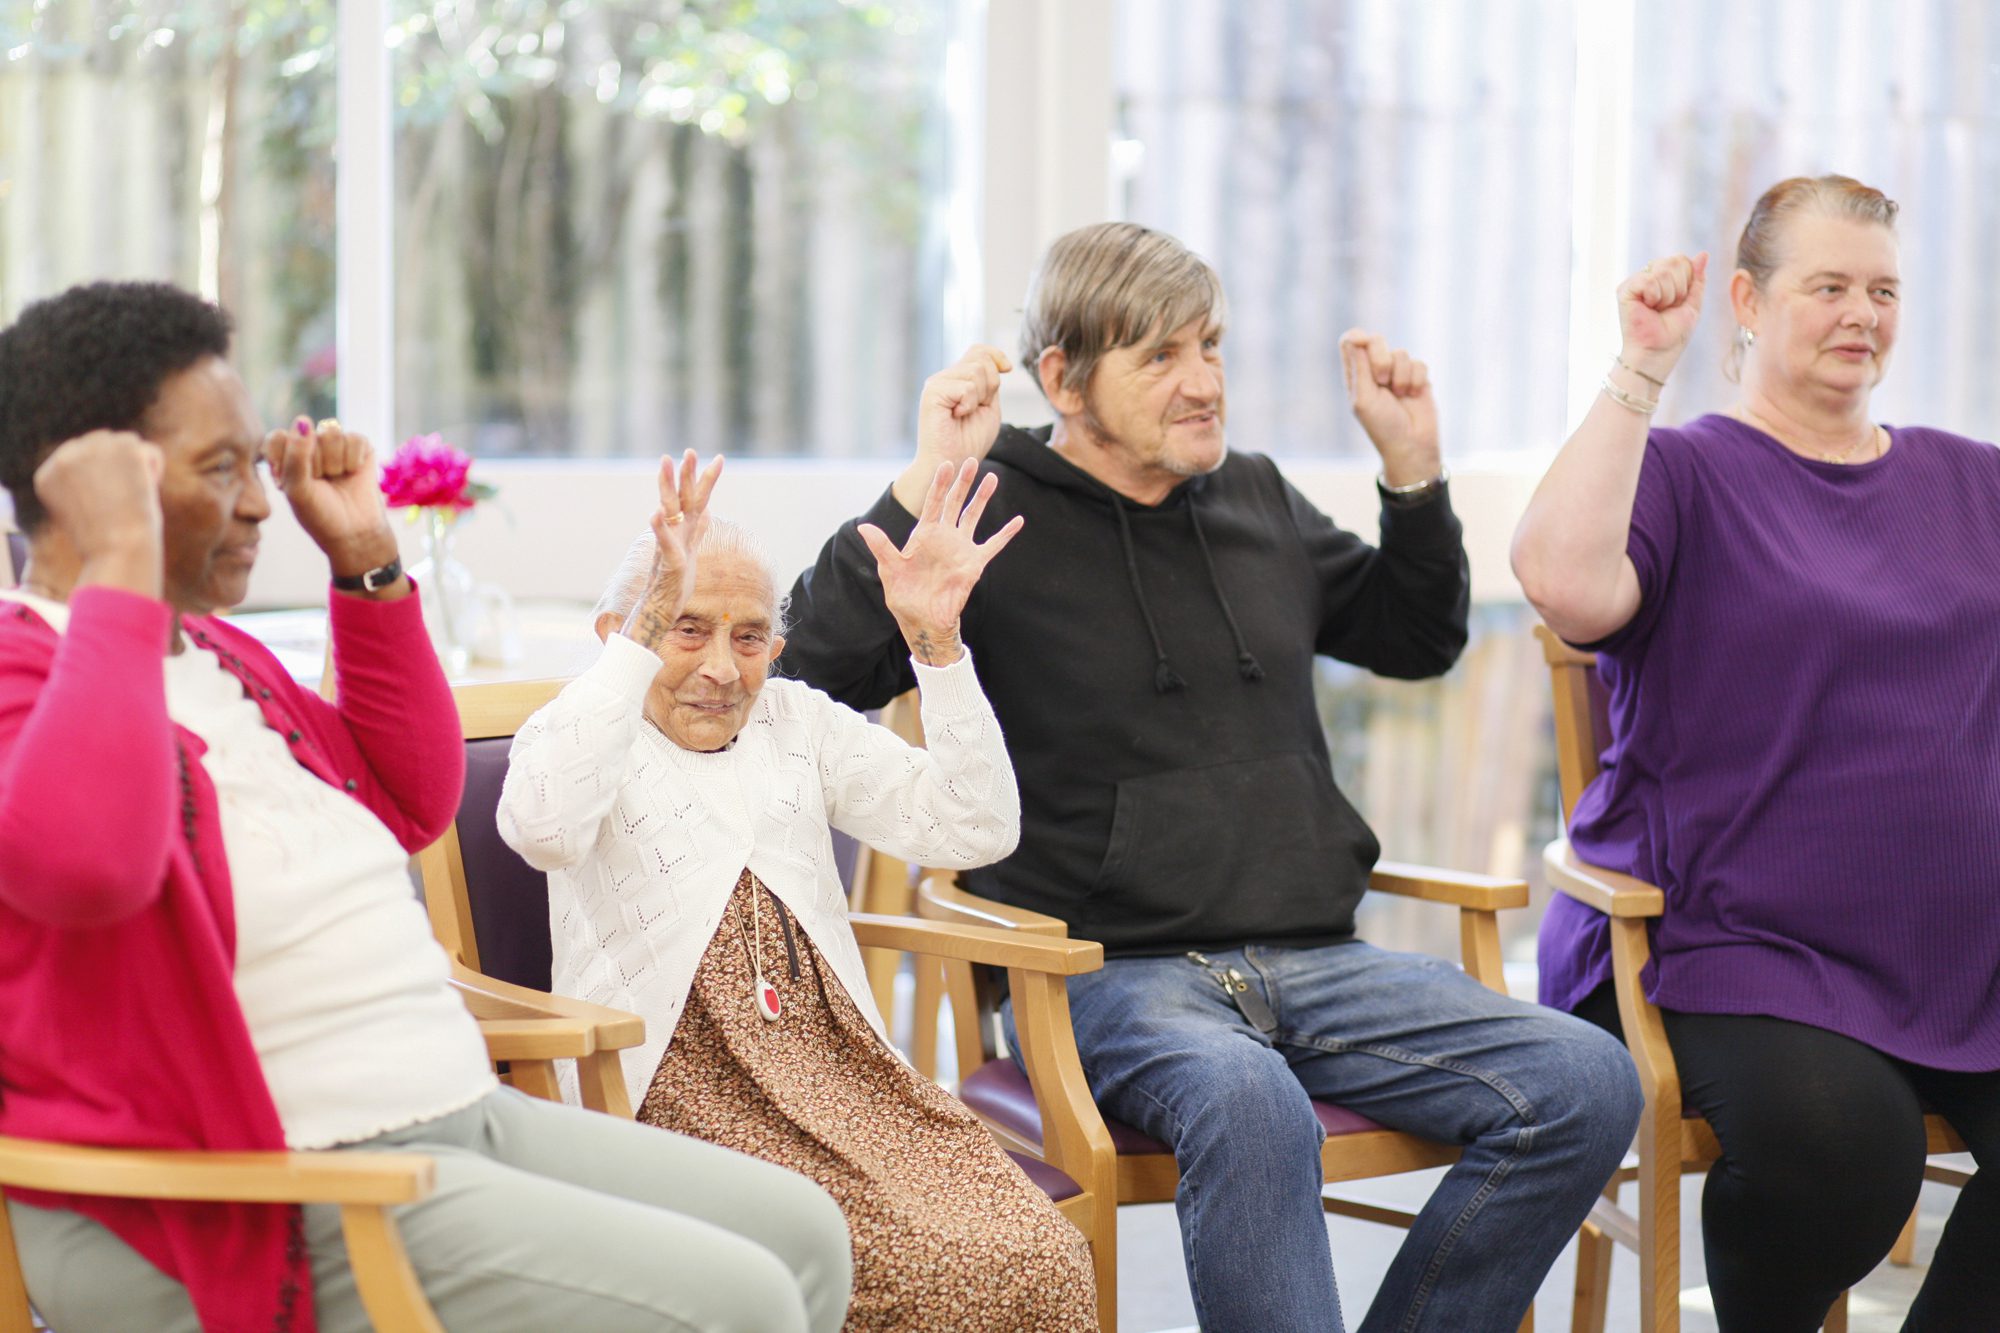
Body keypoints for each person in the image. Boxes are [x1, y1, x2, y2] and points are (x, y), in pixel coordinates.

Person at [780, 221, 1643, 1332]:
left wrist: (1410, 471)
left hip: (1315, 961)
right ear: (1063, 379)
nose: (1203, 383)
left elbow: (1414, 634)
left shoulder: (1256, 498)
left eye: (1212, 346)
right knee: (1250, 1104)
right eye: (1160, 356)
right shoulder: (983, 512)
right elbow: (811, 670)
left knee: (1586, 1082)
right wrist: (921, 482)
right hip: (1101, 976)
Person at [0, 281, 851, 1333]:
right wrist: (116, 564)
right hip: (243, 1192)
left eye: (253, 464)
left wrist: (365, 558)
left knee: (805, 1235)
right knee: (741, 1302)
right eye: (221, 471)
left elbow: (408, 800)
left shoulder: (222, 656)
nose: (262, 503)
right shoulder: (25, 674)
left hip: (444, 1112)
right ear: (92, 482)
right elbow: (90, 864)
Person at [1513, 174, 2000, 1330]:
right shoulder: (1685, 473)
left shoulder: (1969, 480)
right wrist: (1640, 364)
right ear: (1745, 297)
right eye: (1825, 285)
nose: (1860, 315)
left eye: (1879, 290)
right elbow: (1561, 582)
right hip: (1740, 941)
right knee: (1839, 1155)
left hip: (1963, 944)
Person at [496, 452, 1096, 1332]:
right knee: (908, 1269)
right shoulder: (583, 727)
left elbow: (977, 827)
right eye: (684, 628)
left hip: (850, 1077)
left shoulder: (797, 720)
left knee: (1035, 1252)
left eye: (747, 639)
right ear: (618, 635)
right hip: (679, 1088)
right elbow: (543, 829)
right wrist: (639, 635)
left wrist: (936, 646)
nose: (721, 669)